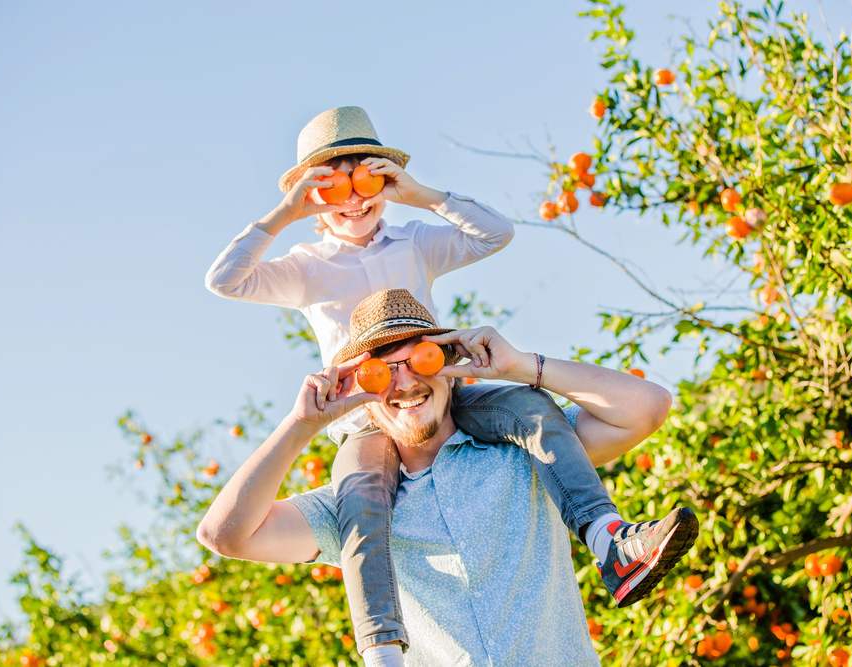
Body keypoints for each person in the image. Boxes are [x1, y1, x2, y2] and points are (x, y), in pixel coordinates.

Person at [204, 107, 694, 665]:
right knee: (362, 515)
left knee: (533, 409)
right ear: (314, 196)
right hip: (360, 419)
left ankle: (609, 539)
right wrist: (286, 213)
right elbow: (226, 280)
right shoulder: (305, 264)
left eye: (367, 178)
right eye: (333, 185)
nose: (354, 197)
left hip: (454, 390)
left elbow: (496, 234)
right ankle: (383, 649)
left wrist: (422, 195)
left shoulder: (413, 241)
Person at [197, 289, 698, 666]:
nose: (406, 382)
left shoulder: (525, 452)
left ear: (448, 363)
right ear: (361, 389)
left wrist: (523, 365)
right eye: (381, 372)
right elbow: (224, 534)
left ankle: (611, 541)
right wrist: (301, 424)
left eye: (420, 359)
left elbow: (647, 407)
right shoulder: (352, 509)